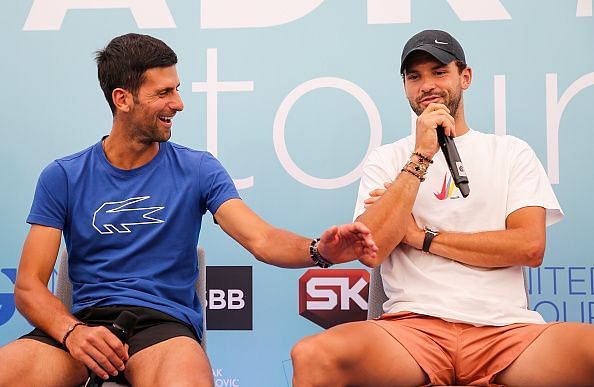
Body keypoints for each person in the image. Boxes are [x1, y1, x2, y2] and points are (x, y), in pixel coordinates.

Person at [0, 33, 378, 387]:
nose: (178, 103)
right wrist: (72, 332)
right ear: (122, 98)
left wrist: (320, 251)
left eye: (177, 89)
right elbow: (30, 286)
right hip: (86, 328)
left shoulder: (198, 169)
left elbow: (262, 239)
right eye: (164, 92)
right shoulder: (63, 176)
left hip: (162, 330)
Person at [290, 29, 594, 386]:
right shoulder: (387, 160)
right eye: (414, 76)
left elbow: (528, 246)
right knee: (311, 354)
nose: (427, 85)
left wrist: (421, 237)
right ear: (404, 86)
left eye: (439, 72)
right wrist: (421, 156)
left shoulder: (511, 152)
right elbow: (373, 250)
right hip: (412, 332)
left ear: (465, 77)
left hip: (505, 332)